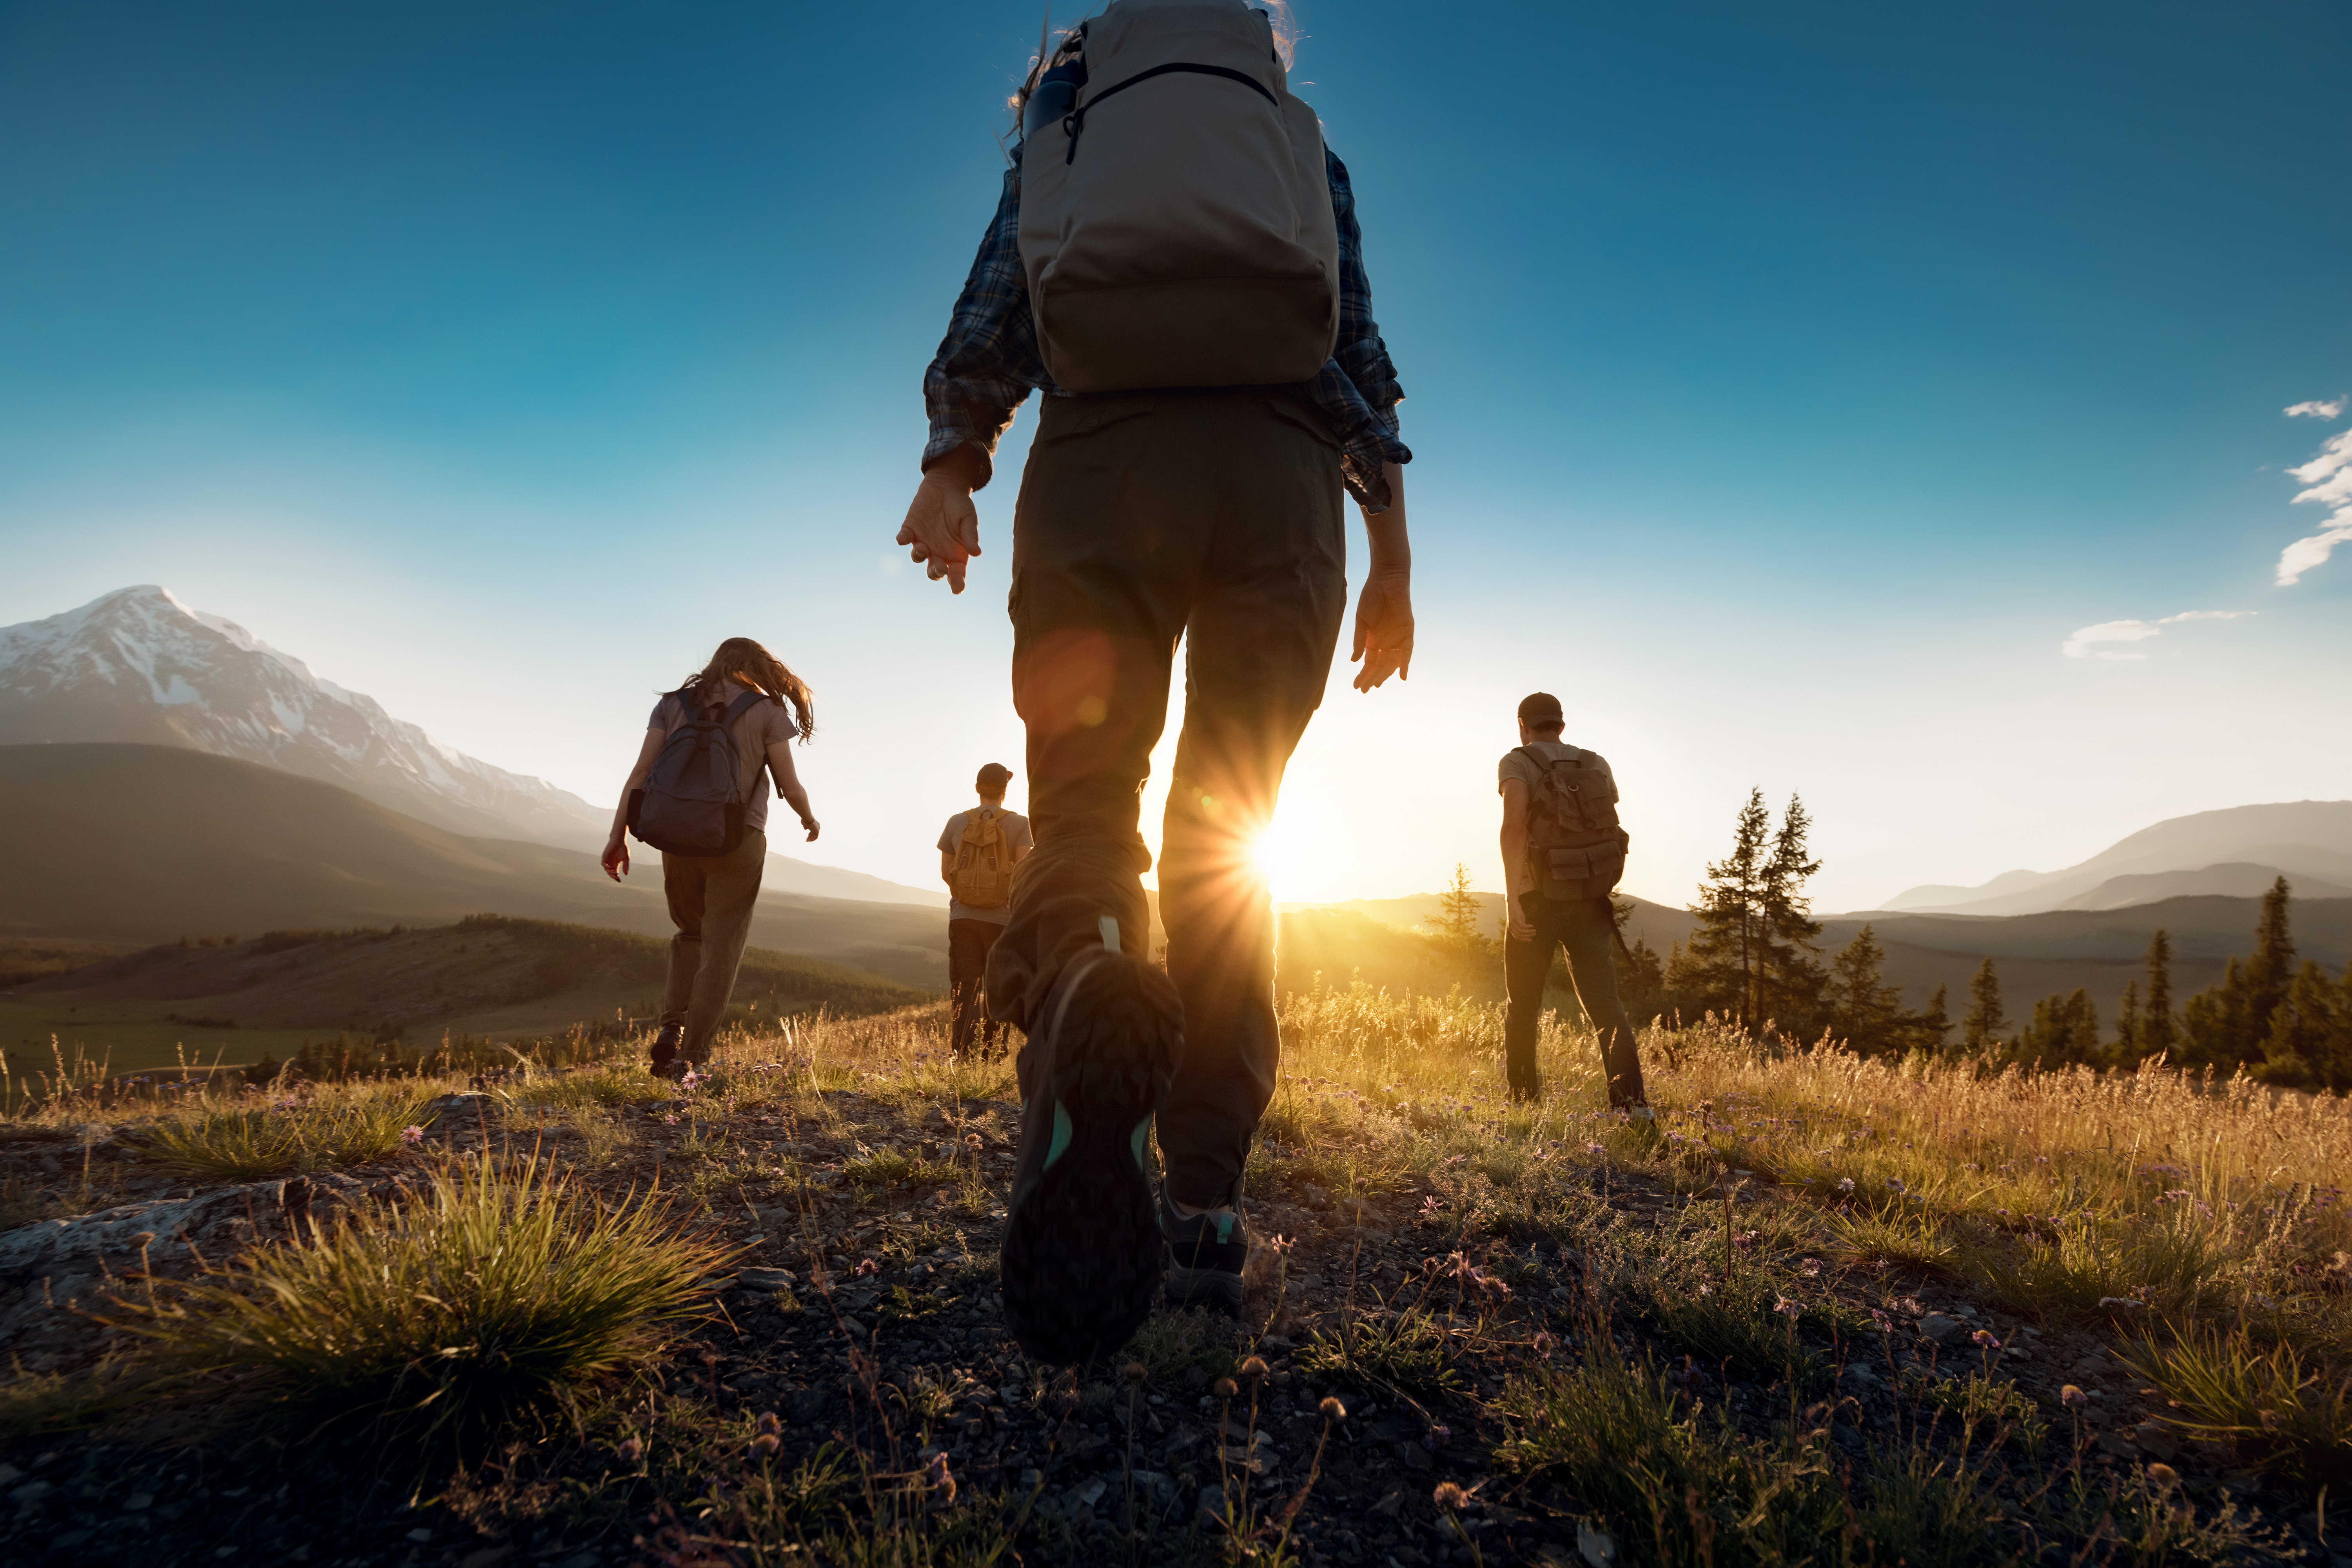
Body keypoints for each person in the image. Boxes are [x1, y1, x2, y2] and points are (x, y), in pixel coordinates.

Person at [894, 2, 1415, 1363]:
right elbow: (1358, 354)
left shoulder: (1070, 120)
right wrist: (1391, 562)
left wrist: (954, 458)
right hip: (1282, 492)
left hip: (1101, 469)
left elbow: (1002, 294)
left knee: (1081, 805)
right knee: (1226, 840)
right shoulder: (1296, 144)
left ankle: (1079, 975)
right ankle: (1203, 1217)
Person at [601, 638, 818, 1080]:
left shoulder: (673, 704)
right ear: (756, 666)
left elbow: (640, 774)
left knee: (690, 933)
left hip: (676, 836)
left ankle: (671, 1027)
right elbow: (790, 785)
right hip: (738, 839)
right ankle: (692, 1057)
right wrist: (808, 817)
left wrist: (617, 835)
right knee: (722, 947)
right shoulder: (767, 712)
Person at [1497, 692, 1649, 1112]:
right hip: (1589, 898)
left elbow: (1513, 828)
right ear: (1562, 726)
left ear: (1522, 725)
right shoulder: (1596, 763)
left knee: (1524, 1006)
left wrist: (1513, 899)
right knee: (1605, 1006)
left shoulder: (1517, 761)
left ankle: (1525, 1106)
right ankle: (1633, 1110)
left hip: (1537, 898)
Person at [938, 762, 1035, 1056]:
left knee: (966, 988)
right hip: (1003, 919)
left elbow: (946, 873)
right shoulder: (1020, 824)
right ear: (1005, 791)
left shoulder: (957, 822)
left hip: (963, 917)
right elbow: (1023, 874)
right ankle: (992, 1054)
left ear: (978, 788)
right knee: (998, 987)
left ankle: (963, 1056)